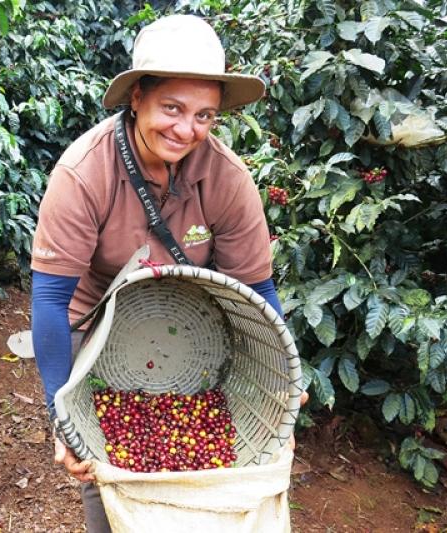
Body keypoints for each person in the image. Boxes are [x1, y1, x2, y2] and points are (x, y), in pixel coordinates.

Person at [29, 14, 305, 532]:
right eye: (171, 108)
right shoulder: (84, 173)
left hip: (190, 333)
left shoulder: (226, 179)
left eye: (204, 116)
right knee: (104, 469)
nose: (186, 130)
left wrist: (284, 387)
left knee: (197, 482)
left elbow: (259, 289)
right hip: (98, 324)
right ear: (137, 97)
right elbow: (50, 300)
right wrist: (59, 414)